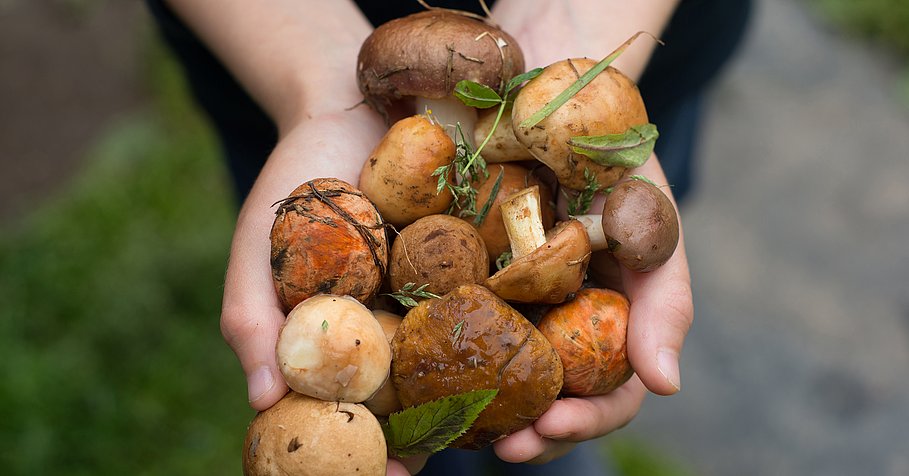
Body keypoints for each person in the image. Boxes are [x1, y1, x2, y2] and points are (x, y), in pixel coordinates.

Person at [146, 1, 750, 474]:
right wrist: (314, 81)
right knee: (438, 415)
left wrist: (573, 15)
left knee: (521, 417)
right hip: (265, 41)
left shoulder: (548, 162)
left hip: (649, 35)